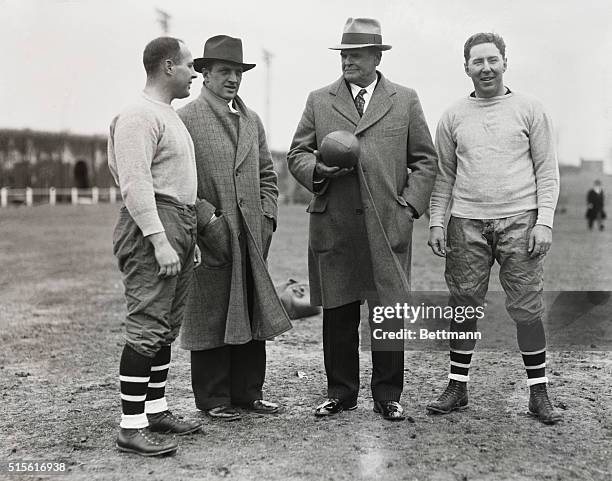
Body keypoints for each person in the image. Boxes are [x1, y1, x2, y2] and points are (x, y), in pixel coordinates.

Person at [287, 18, 437, 421]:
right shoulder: (320, 100)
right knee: (338, 311)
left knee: (387, 312)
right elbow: (296, 154)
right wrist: (318, 170)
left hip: (388, 225)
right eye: (343, 54)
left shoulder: (404, 99)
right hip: (334, 223)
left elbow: (425, 160)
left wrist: (408, 210)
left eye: (355, 54)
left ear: (376, 56)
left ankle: (388, 394)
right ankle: (340, 393)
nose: (347, 61)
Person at [427, 32, 562, 424]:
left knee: (527, 308)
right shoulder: (452, 115)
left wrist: (545, 223)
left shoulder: (530, 109)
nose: (485, 68)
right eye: (476, 62)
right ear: (466, 67)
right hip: (466, 222)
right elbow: (444, 176)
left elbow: (547, 173)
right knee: (463, 304)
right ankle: (457, 386)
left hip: (520, 220)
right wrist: (437, 220)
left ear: (505, 62)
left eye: (492, 60)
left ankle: (539, 393)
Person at [178, 35, 292, 421]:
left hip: (252, 235)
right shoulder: (186, 119)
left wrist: (268, 217)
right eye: (224, 71)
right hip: (213, 235)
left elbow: (267, 174)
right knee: (211, 312)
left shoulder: (252, 120)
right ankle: (212, 398)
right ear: (205, 74)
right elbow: (179, 181)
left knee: (251, 307)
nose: (232, 79)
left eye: (237, 72)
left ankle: (249, 393)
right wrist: (208, 219)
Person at [108, 36, 203, 456]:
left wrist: (187, 238)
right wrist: (159, 240)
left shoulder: (168, 115)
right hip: (154, 227)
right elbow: (134, 183)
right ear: (167, 66)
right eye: (188, 66)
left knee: (166, 325)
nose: (194, 74)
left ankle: (156, 410)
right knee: (147, 325)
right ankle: (130, 426)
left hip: (179, 224)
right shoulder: (137, 115)